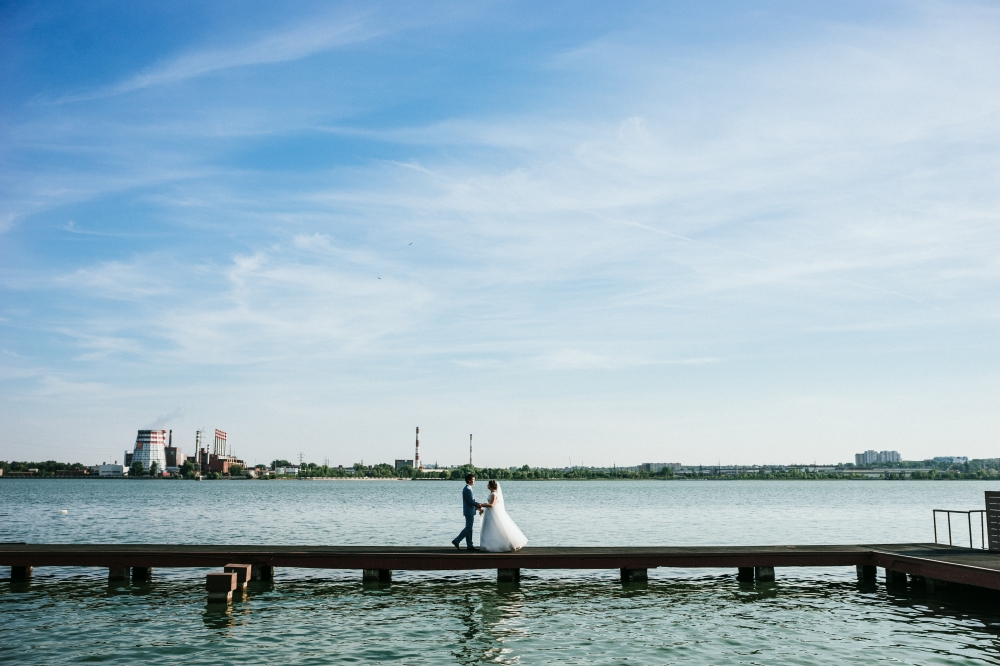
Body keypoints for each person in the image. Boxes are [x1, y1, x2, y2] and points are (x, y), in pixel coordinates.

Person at [478, 480, 528, 552]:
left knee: (494, 527)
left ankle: (499, 545)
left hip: (492, 513)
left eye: (488, 484)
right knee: (489, 528)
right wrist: (483, 506)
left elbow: (492, 505)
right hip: (489, 513)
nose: (487, 485)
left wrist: (482, 505)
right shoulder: (492, 493)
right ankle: (488, 545)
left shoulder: (494, 494)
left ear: (491, 486)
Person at [452, 473, 481, 551]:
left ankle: (469, 545)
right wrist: (478, 504)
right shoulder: (467, 489)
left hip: (470, 510)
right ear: (469, 480)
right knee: (468, 527)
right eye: (473, 479)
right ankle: (457, 540)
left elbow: (470, 502)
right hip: (469, 511)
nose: (474, 481)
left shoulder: (468, 488)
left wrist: (476, 507)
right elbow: (470, 502)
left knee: (469, 528)